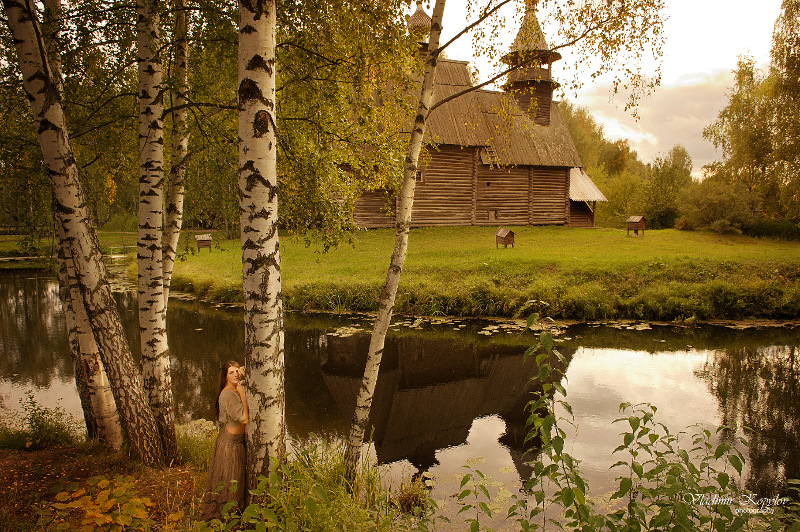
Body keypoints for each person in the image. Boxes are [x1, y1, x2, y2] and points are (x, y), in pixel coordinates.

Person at [201, 361, 248, 520]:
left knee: (236, 477)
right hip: (229, 443)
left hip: (237, 442)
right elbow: (244, 419)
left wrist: (243, 371)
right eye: (231, 373)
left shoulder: (234, 388)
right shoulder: (228, 394)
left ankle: (234, 514)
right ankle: (224, 517)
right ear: (225, 377)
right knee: (229, 479)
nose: (235, 375)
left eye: (237, 371)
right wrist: (242, 394)